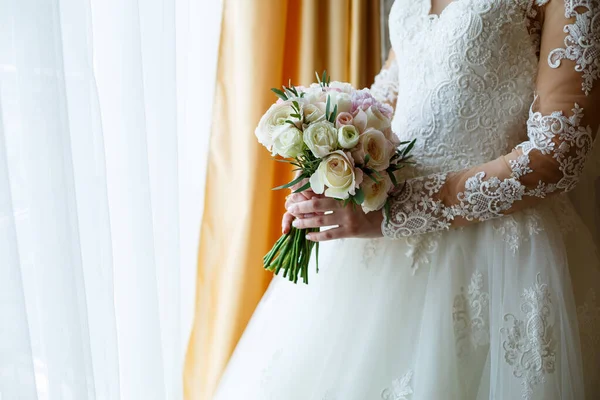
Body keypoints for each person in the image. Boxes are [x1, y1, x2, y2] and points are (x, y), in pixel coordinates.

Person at [213, 0, 600, 398]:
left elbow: (559, 153)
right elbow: (393, 94)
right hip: (377, 235)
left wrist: (398, 212)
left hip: (498, 251)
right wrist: (334, 163)